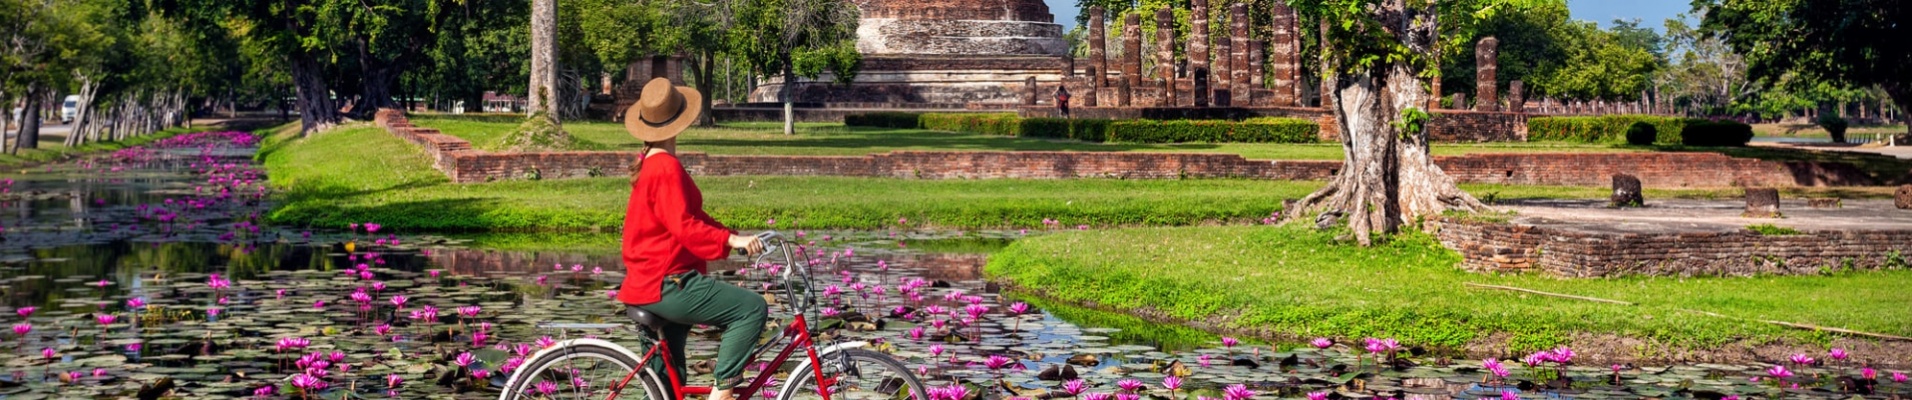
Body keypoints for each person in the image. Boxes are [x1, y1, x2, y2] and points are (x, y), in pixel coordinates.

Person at [617, 77, 767, 400]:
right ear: (677, 123)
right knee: (751, 308)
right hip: (667, 283)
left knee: (664, 390)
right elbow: (685, 226)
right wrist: (731, 242)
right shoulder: (665, 168)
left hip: (647, 282)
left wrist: (733, 238)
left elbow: (693, 217)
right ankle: (722, 393)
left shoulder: (651, 164)